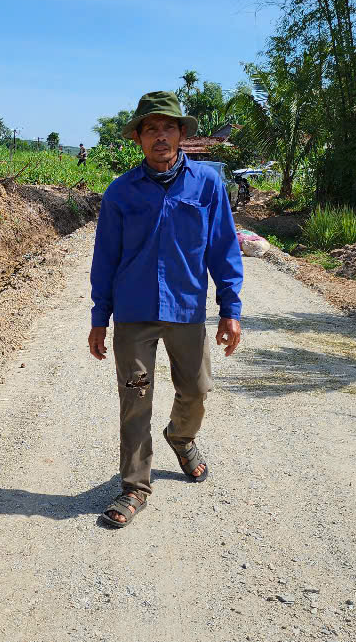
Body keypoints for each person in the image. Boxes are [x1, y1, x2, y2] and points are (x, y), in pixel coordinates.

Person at [88, 90, 244, 528]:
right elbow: (106, 258)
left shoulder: (208, 185)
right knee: (135, 399)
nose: (160, 136)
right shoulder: (120, 192)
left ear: (181, 135)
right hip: (134, 312)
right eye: (151, 129)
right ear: (138, 138)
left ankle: (181, 436)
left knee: (196, 389)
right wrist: (100, 317)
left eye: (168, 127)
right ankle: (134, 487)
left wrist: (230, 309)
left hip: (187, 308)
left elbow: (223, 249)